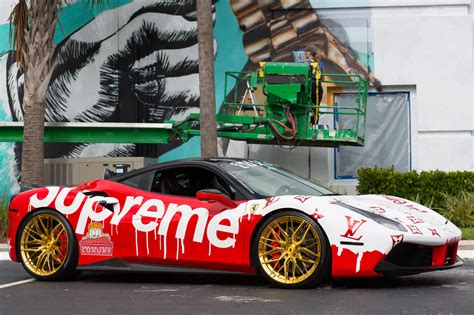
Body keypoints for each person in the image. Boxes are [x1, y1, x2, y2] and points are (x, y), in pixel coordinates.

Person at [304, 45, 324, 124]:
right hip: (317, 87)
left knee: (307, 107)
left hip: (312, 86)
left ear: (309, 53)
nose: (304, 53)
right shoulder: (320, 63)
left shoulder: (307, 63)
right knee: (315, 108)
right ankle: (313, 125)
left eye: (306, 52)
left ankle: (308, 125)